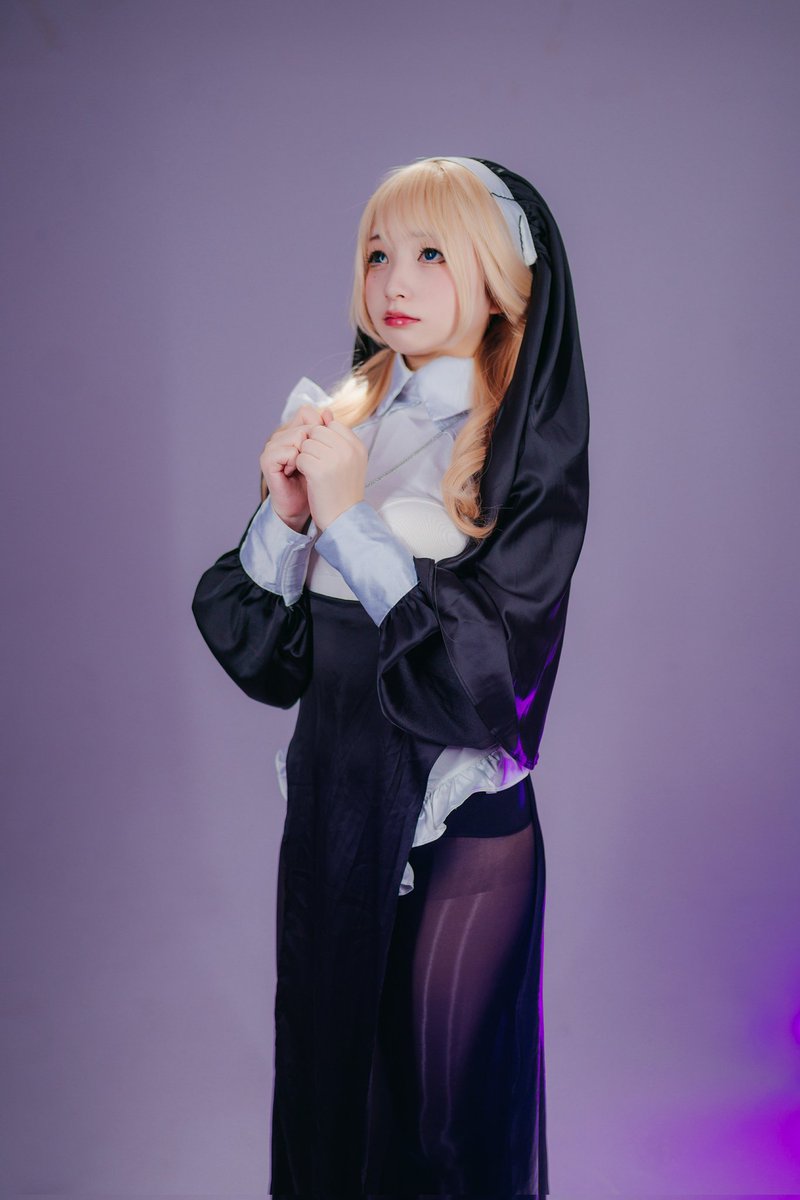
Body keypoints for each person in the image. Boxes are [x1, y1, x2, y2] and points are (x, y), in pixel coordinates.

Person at [191, 155, 590, 1199]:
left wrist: (349, 520)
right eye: (377, 254)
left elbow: (482, 680)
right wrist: (288, 515)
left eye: (429, 255)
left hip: (460, 833)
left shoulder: (514, 451)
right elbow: (265, 656)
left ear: (503, 282)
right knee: (330, 1107)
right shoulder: (349, 422)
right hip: (337, 813)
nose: (393, 282)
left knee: (443, 1134)